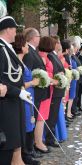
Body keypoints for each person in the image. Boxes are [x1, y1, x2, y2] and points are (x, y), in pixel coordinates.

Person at [0, 16, 32, 165]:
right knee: (6, 148)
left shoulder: (7, 47)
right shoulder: (1, 49)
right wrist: (18, 92)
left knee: (13, 143)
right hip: (5, 105)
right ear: (7, 29)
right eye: (14, 29)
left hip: (12, 103)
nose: (15, 33)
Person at [12, 33, 41, 165]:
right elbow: (18, 84)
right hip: (24, 97)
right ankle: (25, 155)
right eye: (25, 45)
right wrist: (33, 83)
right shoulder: (17, 64)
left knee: (30, 124)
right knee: (26, 125)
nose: (27, 47)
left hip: (30, 97)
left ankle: (27, 153)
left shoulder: (22, 62)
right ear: (21, 46)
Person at [23, 27, 48, 159]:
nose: (40, 39)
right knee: (31, 122)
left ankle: (31, 147)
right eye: (38, 37)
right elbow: (27, 72)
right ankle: (29, 150)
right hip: (32, 92)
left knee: (32, 122)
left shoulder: (34, 51)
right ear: (33, 38)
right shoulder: (29, 52)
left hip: (37, 92)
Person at [34, 36, 56, 154]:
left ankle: (39, 140)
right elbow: (44, 75)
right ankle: (38, 142)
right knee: (40, 117)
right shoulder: (42, 56)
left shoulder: (45, 56)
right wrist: (54, 80)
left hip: (49, 88)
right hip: (44, 89)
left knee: (43, 117)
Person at [45, 36, 66, 148]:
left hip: (58, 90)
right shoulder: (51, 56)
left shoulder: (54, 55)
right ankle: (49, 138)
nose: (60, 45)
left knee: (54, 115)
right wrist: (60, 75)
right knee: (52, 116)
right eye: (58, 42)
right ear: (55, 44)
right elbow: (53, 71)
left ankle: (52, 136)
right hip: (55, 90)